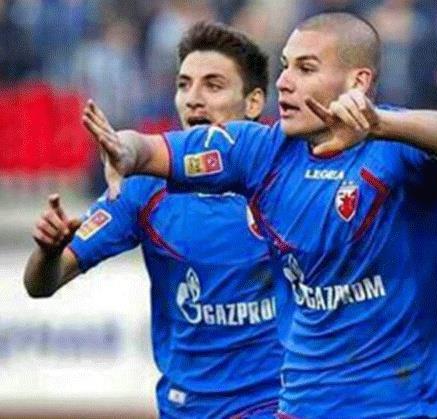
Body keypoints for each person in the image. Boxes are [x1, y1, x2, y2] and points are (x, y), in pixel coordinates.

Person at [84, 12, 437, 418]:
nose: (284, 82)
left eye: (306, 69)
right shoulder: (261, 151)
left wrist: (381, 125)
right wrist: (125, 150)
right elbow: (155, 149)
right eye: (285, 66)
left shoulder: (398, 147)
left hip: (398, 399)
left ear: (357, 81)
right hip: (305, 399)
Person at [23, 21, 282, 419]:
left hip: (276, 403)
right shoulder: (144, 189)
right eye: (184, 85)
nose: (193, 99)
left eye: (213, 85)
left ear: (253, 102)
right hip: (186, 407)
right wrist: (48, 251)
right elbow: (41, 284)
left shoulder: (286, 178)